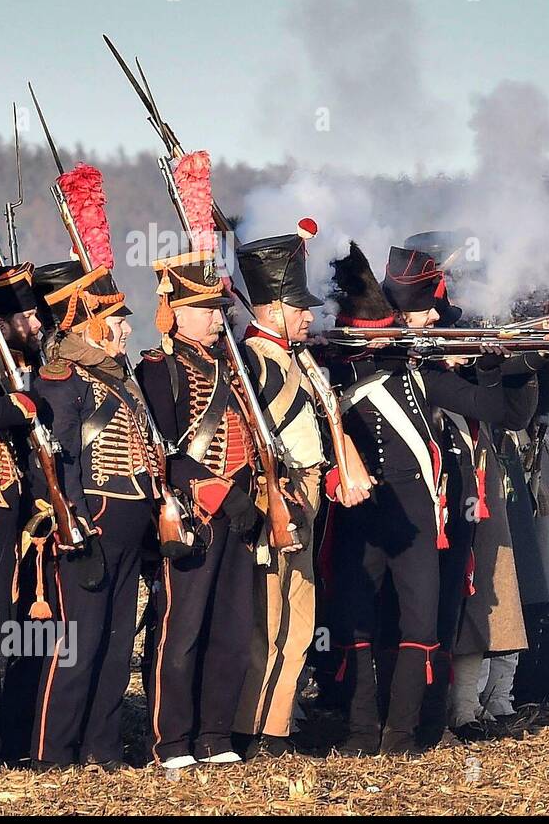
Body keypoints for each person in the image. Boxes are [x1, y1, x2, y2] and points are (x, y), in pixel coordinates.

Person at [324, 242, 533, 755]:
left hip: (418, 512)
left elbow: (493, 409)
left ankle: (401, 735)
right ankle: (357, 732)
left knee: (419, 624)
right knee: (357, 624)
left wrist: (500, 362)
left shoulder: (419, 367)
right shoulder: (332, 367)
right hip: (359, 512)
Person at [135, 248, 270, 769]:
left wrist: (258, 493)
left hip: (241, 511)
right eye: (207, 308)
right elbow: (161, 449)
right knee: (181, 630)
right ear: (177, 312)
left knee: (231, 628)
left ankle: (214, 734)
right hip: (194, 514)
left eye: (219, 308)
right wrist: (217, 492)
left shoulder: (232, 367)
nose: (218, 317)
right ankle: (171, 741)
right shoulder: (159, 369)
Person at [29, 259, 161, 770]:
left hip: (130, 526)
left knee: (113, 644)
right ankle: (52, 751)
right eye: (119, 320)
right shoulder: (65, 381)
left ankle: (100, 747)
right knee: (76, 646)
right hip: (91, 527)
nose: (129, 327)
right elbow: (54, 463)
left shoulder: (120, 379)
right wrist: (74, 519)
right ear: (90, 323)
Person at [231, 232, 358, 758]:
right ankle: (252, 722)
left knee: (298, 616)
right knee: (270, 617)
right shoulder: (251, 361)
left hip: (307, 496)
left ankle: (278, 722)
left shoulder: (300, 359)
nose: (309, 316)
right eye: (298, 308)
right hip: (274, 499)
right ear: (272, 308)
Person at [0, 262, 41, 772]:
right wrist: (18, 405)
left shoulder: (9, 364)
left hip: (2, 517)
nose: (36, 319)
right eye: (25, 311)